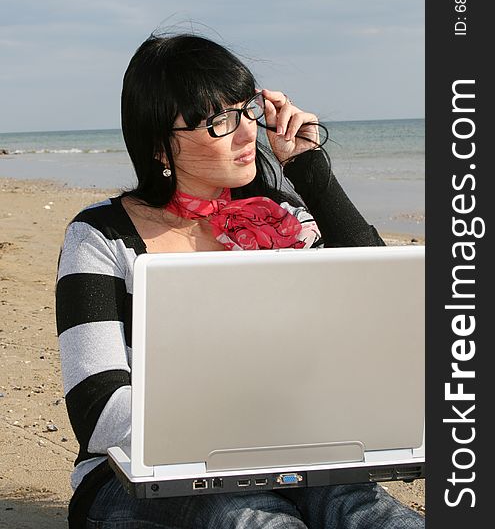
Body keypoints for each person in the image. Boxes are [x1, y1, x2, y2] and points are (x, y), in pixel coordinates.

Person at [56, 33, 424, 529]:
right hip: (142, 475)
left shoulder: (285, 219)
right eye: (219, 121)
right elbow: (99, 409)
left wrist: (308, 167)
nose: (247, 132)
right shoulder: (101, 237)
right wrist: (249, 433)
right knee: (253, 518)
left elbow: (385, 301)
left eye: (247, 110)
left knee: (370, 514)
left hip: (294, 453)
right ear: (160, 144)